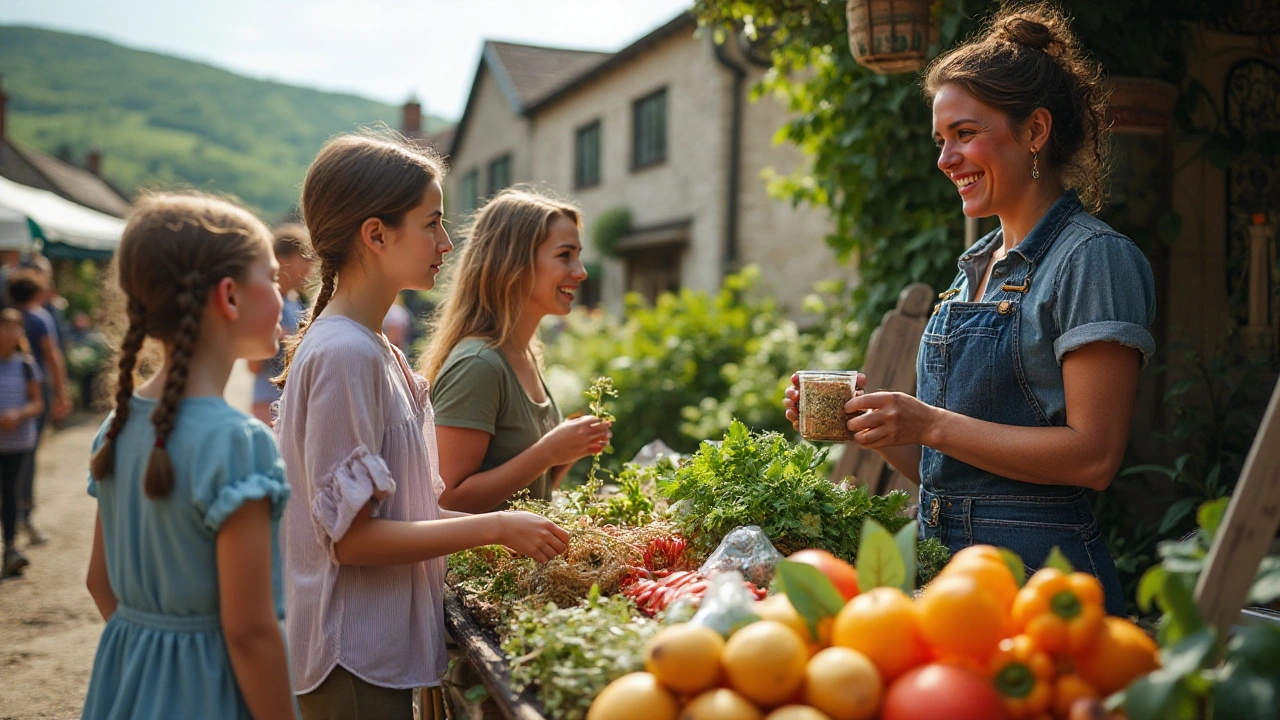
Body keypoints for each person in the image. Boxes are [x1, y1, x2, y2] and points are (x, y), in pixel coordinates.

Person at [784, 4, 1153, 615]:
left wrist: (927, 422)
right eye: (940, 140)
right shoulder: (975, 268)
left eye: (964, 134)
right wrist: (875, 428)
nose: (944, 160)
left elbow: (1094, 456)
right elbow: (949, 468)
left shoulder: (1093, 259)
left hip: (1040, 584)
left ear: (1034, 132)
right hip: (947, 577)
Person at [274, 132, 571, 720]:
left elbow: (399, 516)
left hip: (370, 651)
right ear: (376, 234)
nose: (445, 242)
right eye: (432, 223)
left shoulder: (374, 347)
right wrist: (493, 526)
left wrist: (506, 527)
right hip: (348, 655)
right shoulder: (345, 354)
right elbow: (355, 541)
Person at [81, 192, 296, 719]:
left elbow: (99, 582)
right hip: (211, 696)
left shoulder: (117, 425)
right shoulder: (238, 442)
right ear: (229, 296)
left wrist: (156, 653)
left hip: (127, 686)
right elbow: (248, 631)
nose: (285, 291)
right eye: (270, 278)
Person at [420, 188, 611, 513]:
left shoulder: (525, 354)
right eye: (565, 255)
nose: (580, 271)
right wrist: (549, 451)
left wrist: (568, 452)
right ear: (514, 263)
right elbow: (446, 500)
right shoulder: (478, 364)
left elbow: (526, 494)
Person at [7, 269, 72, 545]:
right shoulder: (40, 318)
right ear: (36, 292)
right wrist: (61, 393)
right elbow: (51, 355)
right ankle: (24, 514)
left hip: (7, 396)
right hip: (33, 395)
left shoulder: (7, 319)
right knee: (28, 455)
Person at [248, 224, 314, 425]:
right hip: (267, 402)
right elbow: (253, 365)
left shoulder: (296, 302)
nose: (310, 268)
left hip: (292, 402)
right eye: (305, 259)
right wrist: (277, 338)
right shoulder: (267, 302)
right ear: (282, 261)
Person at [0, 309, 42, 579]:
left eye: (16, 328)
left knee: (10, 495)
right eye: (6, 327)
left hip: (18, 443)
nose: (11, 333)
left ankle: (10, 548)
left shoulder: (26, 365)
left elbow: (38, 402)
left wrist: (19, 414)